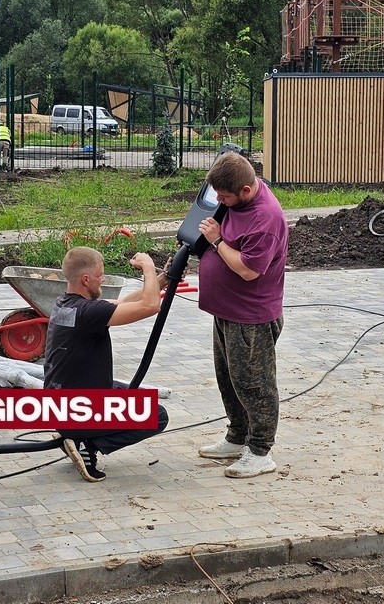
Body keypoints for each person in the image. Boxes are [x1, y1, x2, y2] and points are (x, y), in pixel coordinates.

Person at [195, 152, 288, 478]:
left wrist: (217, 240)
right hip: (226, 311)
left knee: (255, 385)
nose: (220, 202)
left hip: (251, 317)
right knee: (229, 380)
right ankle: (237, 437)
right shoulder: (239, 203)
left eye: (225, 197)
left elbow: (248, 270)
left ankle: (260, 451)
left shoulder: (266, 219)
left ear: (246, 190)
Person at [44, 246, 169, 482]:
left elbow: (124, 303)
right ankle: (87, 443)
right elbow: (150, 306)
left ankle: (77, 436)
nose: (103, 279)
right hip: (77, 410)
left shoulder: (65, 304)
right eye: (100, 275)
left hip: (59, 403)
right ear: (86, 279)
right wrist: (148, 266)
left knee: (135, 395)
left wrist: (162, 279)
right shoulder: (89, 312)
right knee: (156, 415)